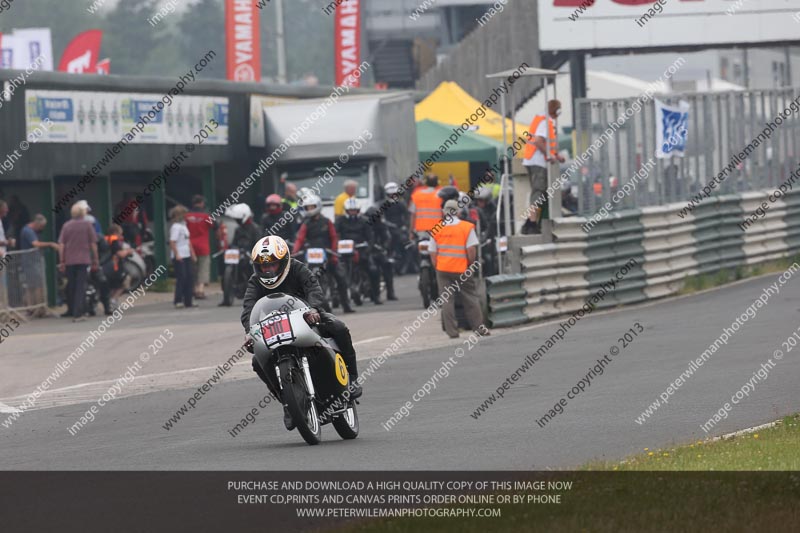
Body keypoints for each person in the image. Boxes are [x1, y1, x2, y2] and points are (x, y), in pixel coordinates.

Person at [242, 235, 362, 430]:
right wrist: (249, 331)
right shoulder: (255, 281)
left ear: (283, 262)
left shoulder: (297, 268)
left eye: (272, 265)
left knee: (338, 327)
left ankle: (353, 379)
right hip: (276, 328)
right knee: (257, 362)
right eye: (263, 266)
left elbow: (314, 288)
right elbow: (248, 307)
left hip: (307, 316)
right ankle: (288, 405)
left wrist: (314, 309)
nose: (268, 270)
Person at [429, 200, 487, 339]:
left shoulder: (437, 228)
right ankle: (479, 328)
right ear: (458, 211)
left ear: (444, 212)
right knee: (470, 298)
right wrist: (468, 264)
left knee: (447, 300)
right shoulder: (466, 227)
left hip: (442, 269)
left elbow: (432, 252)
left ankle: (452, 332)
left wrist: (437, 266)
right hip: (462, 268)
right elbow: (471, 249)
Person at [292, 194, 354, 313]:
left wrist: (334, 251)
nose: (310, 210)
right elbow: (299, 239)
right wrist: (294, 252)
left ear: (318, 206)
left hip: (328, 255)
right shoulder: (306, 224)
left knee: (341, 278)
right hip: (311, 257)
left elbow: (334, 237)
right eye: (307, 208)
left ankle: (346, 305)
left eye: (312, 207)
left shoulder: (327, 222)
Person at [522, 99, 565, 234]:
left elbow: (544, 142)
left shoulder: (541, 119)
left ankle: (532, 222)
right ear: (557, 111)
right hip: (538, 162)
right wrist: (548, 155)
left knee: (541, 192)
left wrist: (555, 155)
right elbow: (539, 141)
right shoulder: (546, 122)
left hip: (533, 160)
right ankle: (531, 223)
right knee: (538, 192)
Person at [58, 203, 99, 322]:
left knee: (72, 285)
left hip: (70, 260)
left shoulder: (66, 226)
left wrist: (62, 260)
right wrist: (95, 259)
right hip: (83, 259)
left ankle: (72, 309)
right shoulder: (87, 225)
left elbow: (61, 244)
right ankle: (78, 313)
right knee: (81, 286)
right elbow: (93, 244)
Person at [336, 198, 381, 305]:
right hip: (343, 253)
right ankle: (335, 297)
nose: (352, 212)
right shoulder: (340, 221)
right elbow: (334, 234)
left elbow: (370, 238)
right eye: (350, 210)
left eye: (354, 210)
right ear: (346, 210)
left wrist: (368, 249)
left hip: (361, 250)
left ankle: (376, 296)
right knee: (335, 271)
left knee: (373, 270)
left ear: (358, 210)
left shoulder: (365, 221)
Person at [365, 206, 397, 301]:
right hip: (365, 251)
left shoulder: (382, 225)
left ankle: (390, 292)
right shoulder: (364, 224)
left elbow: (387, 238)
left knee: (387, 266)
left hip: (378, 251)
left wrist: (383, 247)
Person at [185, 195, 214, 300]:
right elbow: (215, 227)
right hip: (203, 246)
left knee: (192, 269)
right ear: (201, 203)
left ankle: (193, 289)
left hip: (189, 247)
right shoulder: (206, 217)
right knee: (203, 268)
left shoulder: (187, 216)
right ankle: (200, 290)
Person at [169, 205, 197, 309]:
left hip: (186, 254)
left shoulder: (184, 225)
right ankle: (178, 300)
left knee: (190, 277)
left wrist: (192, 253)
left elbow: (188, 241)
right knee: (182, 277)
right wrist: (176, 254)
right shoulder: (175, 227)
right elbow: (172, 242)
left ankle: (189, 300)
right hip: (179, 255)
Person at [102, 224, 134, 310]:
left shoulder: (105, 240)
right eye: (120, 233)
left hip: (105, 266)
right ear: (116, 232)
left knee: (112, 285)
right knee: (124, 282)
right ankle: (113, 300)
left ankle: (111, 301)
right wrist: (128, 251)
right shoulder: (115, 241)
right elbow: (120, 254)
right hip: (116, 267)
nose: (121, 236)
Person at [409, 174, 442, 240]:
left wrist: (411, 232)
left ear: (425, 183)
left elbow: (413, 215)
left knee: (421, 249)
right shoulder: (441, 195)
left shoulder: (416, 195)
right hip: (437, 230)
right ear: (437, 183)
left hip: (421, 231)